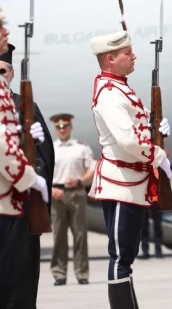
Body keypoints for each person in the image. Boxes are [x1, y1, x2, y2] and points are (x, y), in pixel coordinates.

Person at [89, 29, 172, 308]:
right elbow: (126, 139)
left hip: (131, 181)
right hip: (120, 182)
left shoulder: (119, 87)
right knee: (120, 256)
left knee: (127, 255)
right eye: (127, 53)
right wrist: (157, 154)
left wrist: (154, 131)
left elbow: (133, 131)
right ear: (110, 59)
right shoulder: (109, 92)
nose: (133, 56)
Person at [0, 0, 49, 309]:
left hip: (22, 209)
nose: (0, 75)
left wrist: (36, 149)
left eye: (5, 71)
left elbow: (44, 160)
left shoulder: (26, 106)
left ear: (12, 74)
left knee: (22, 279)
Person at [48, 113, 96, 286]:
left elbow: (92, 169)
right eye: (59, 127)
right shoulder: (50, 148)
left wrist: (80, 181)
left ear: (70, 127)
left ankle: (82, 273)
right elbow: (43, 172)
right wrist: (51, 189)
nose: (62, 130)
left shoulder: (81, 147)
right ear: (55, 129)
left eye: (65, 126)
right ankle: (59, 273)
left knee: (80, 234)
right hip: (57, 193)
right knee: (59, 235)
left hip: (76, 192)